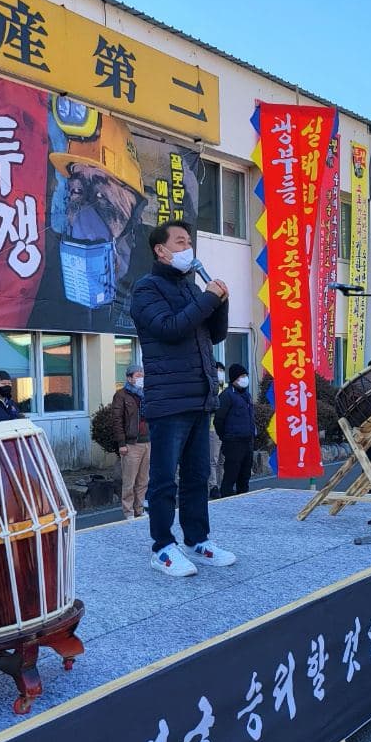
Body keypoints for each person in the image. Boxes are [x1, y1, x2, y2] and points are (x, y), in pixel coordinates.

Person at [130, 219, 235, 577]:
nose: (187, 247)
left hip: (199, 397)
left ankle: (198, 540)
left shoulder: (190, 288)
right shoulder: (146, 289)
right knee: (164, 480)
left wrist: (220, 303)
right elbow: (170, 328)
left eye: (189, 241)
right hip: (168, 401)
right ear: (160, 250)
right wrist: (208, 299)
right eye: (180, 241)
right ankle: (162, 547)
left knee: (197, 475)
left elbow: (214, 335)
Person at [110, 363, 149, 519]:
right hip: (131, 444)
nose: (141, 378)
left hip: (148, 442)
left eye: (142, 375)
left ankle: (139, 509)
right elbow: (117, 420)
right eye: (138, 376)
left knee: (143, 480)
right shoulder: (121, 395)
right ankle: (128, 512)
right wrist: (121, 443)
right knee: (129, 481)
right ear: (129, 378)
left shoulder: (146, 394)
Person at [214, 363, 256, 498]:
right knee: (231, 474)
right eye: (242, 376)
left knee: (245, 475)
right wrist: (226, 437)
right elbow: (218, 420)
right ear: (235, 378)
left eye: (245, 376)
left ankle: (243, 500)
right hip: (233, 442)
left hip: (247, 440)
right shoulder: (227, 396)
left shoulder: (247, 395)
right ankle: (226, 500)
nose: (245, 378)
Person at [208, 361, 226, 497]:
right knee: (213, 459)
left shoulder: (227, 388)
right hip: (213, 428)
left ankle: (222, 484)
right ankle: (213, 486)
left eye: (222, 370)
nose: (220, 373)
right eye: (218, 370)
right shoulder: (210, 388)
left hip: (226, 429)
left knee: (222, 460)